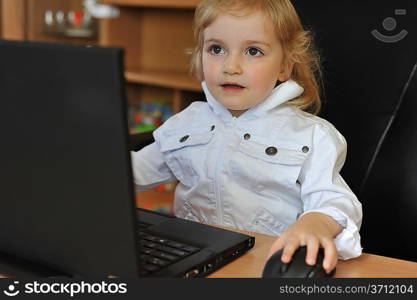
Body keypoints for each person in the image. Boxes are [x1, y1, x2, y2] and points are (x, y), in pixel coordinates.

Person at [131, 0, 362, 274]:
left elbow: (336, 201)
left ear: (284, 66)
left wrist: (315, 224)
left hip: (266, 266)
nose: (231, 66)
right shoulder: (185, 123)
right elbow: (130, 173)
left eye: (253, 51)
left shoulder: (313, 136)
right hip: (192, 263)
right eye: (216, 49)